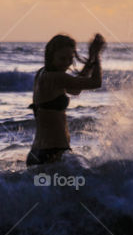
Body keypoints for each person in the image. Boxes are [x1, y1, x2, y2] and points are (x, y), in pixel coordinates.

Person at [27, 32, 105, 166]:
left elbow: (75, 89)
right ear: (51, 57)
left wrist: (91, 58)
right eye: (62, 58)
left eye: (70, 58)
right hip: (53, 155)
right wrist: (96, 55)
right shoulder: (56, 78)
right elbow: (96, 82)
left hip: (38, 153)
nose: (67, 63)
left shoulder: (42, 74)